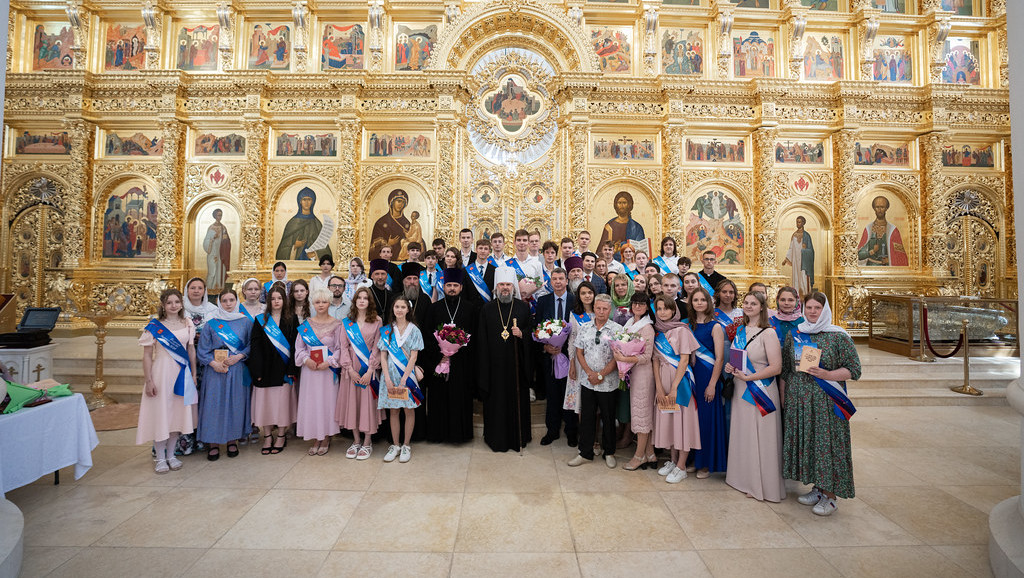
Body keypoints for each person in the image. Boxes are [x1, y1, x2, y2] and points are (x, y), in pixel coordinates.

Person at [782, 292, 860, 516]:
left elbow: (854, 369)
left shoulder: (838, 337)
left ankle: (831, 496)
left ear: (825, 310)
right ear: (803, 309)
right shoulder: (796, 334)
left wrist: (828, 373)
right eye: (809, 308)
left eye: (817, 308)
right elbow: (788, 369)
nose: (813, 312)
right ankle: (818, 488)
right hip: (801, 401)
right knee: (811, 444)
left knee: (828, 445)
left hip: (827, 401)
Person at [725, 291, 785, 502]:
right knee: (745, 434)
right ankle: (743, 479)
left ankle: (761, 485)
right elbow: (737, 358)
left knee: (761, 437)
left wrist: (751, 377)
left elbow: (777, 367)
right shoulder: (741, 330)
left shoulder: (768, 333)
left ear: (762, 307)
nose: (749, 306)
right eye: (746, 303)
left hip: (761, 389)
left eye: (753, 303)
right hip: (741, 387)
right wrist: (730, 366)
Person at [139, 289, 197, 474]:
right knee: (162, 414)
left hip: (182, 374)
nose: (174, 305)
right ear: (163, 305)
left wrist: (194, 374)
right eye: (169, 302)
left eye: (177, 302)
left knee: (176, 415)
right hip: (161, 373)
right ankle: (160, 457)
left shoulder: (187, 324)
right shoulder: (155, 326)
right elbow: (147, 356)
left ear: (181, 303)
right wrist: (149, 380)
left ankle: (171, 455)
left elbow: (191, 351)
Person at [476, 267, 534, 452]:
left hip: (516, 366)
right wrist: (484, 366)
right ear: (496, 287)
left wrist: (522, 334)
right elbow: (481, 340)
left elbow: (532, 334)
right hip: (494, 367)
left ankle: (519, 436)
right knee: (496, 403)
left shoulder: (522, 307)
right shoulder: (487, 309)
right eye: (501, 284)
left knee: (516, 402)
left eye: (508, 284)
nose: (505, 288)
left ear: (514, 287)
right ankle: (495, 438)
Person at [421, 268, 479, 444]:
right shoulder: (434, 308)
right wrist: (441, 355)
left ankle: (459, 435)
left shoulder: (471, 308)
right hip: (439, 361)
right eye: (449, 285)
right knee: (439, 398)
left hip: (462, 363)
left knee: (459, 398)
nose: (452, 288)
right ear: (443, 287)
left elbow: (475, 336)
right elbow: (427, 335)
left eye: (455, 285)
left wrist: (457, 350)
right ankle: (438, 434)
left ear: (461, 287)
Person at [567, 294, 623, 468]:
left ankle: (609, 452)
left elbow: (618, 357)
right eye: (598, 308)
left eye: (605, 308)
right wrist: (591, 373)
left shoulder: (617, 329)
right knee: (588, 418)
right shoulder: (585, 327)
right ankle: (585, 453)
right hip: (587, 380)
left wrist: (601, 375)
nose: (600, 311)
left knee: (608, 418)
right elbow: (579, 352)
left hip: (608, 382)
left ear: (610, 310)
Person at [197, 290, 252, 461]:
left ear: (237, 301)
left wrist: (239, 356)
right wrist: (213, 363)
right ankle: (213, 443)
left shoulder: (245, 322)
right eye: (225, 300)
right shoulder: (211, 324)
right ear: (219, 302)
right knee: (213, 405)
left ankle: (232, 440)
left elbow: (251, 344)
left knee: (234, 404)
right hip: (215, 370)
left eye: (231, 300)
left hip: (236, 369)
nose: (228, 303)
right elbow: (202, 350)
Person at [652, 295, 701, 484]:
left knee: (683, 422)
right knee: (670, 419)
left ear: (674, 310)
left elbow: (685, 359)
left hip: (680, 382)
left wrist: (673, 388)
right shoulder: (658, 333)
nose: (663, 312)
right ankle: (672, 460)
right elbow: (655, 360)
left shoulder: (682, 331)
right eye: (659, 309)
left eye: (666, 308)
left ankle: (681, 466)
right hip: (663, 380)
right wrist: (659, 386)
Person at [248, 284, 298, 456]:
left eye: (280, 298)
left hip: (284, 371)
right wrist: (257, 371)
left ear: (285, 300)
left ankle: (281, 435)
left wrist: (292, 368)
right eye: (273, 298)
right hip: (265, 370)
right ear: (268, 301)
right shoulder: (260, 320)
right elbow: (255, 347)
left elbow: (294, 346)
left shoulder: (292, 319)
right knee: (266, 405)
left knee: (282, 405)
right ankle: (268, 436)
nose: (277, 301)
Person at [336, 287, 383, 460]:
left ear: (370, 301)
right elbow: (343, 347)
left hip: (368, 371)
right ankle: (356, 441)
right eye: (359, 298)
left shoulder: (377, 321)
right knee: (353, 405)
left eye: (365, 298)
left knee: (366, 405)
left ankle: (367, 442)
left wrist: (370, 370)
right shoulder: (346, 322)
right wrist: (349, 369)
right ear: (355, 301)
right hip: (351, 371)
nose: (362, 300)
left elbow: (378, 346)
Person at [295, 287, 343, 456]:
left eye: (324, 301)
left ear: (329, 302)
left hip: (328, 371)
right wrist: (306, 360)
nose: (321, 305)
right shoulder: (306, 325)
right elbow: (299, 348)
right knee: (312, 403)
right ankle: (316, 436)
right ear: (312, 303)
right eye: (317, 302)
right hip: (310, 371)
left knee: (327, 402)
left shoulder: (337, 324)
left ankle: (327, 437)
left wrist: (329, 361)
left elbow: (339, 348)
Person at [377, 296, 425, 463]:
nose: (399, 310)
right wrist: (388, 379)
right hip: (389, 377)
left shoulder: (415, 330)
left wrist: (404, 379)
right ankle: (395, 445)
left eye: (402, 307)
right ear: (393, 309)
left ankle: (406, 445)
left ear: (408, 310)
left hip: (407, 377)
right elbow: (383, 356)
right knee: (394, 411)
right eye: (396, 306)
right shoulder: (386, 330)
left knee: (408, 410)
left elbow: (413, 357)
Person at [687, 287, 728, 479]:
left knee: (705, 420)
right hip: (691, 376)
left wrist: (712, 385)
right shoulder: (688, 325)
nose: (699, 303)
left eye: (703, 300)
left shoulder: (716, 326)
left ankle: (706, 464)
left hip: (708, 377)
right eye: (696, 300)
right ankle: (695, 460)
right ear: (691, 303)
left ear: (709, 303)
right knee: (692, 420)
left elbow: (719, 358)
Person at [536, 267, 577, 447]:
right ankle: (552, 431)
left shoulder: (576, 301)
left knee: (569, 394)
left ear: (567, 281)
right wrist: (546, 346)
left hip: (571, 358)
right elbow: (537, 327)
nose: (558, 282)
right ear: (550, 282)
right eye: (555, 279)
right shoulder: (543, 301)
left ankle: (571, 431)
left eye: (561, 278)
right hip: (550, 357)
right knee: (552, 395)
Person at [616, 293, 657, 471]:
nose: (638, 306)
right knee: (640, 412)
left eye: (642, 304)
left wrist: (624, 357)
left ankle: (639, 456)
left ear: (647, 306)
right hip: (633, 373)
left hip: (644, 375)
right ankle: (650, 453)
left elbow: (646, 357)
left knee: (642, 414)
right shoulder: (630, 322)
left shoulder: (647, 327)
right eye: (635, 303)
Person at [566, 279, 596, 418]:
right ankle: (584, 436)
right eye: (583, 293)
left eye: (590, 292)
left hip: (597, 361)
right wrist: (572, 363)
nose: (587, 296)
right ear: (579, 296)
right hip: (579, 361)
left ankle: (595, 435)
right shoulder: (574, 314)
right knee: (580, 401)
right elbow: (572, 339)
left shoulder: (600, 312)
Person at [857, 195, 908, 266]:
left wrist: (889, 260)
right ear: (874, 208)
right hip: (871, 269)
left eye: (882, 207)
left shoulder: (893, 230)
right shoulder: (868, 229)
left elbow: (901, 255)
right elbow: (859, 255)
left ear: (886, 208)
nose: (880, 210)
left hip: (888, 269)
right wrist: (871, 252)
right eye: (877, 207)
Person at [506, 229, 544, 302]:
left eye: (524, 240)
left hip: (532, 305)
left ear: (529, 243)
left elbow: (540, 289)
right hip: (512, 304)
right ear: (514, 242)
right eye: (519, 240)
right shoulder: (506, 264)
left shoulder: (537, 264)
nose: (521, 243)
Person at [781, 216, 814, 296]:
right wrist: (786, 259)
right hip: (796, 261)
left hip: (804, 263)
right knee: (796, 278)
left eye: (799, 222)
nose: (798, 224)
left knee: (803, 278)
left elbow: (811, 251)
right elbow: (791, 248)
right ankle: (797, 296)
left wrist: (805, 250)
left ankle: (805, 296)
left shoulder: (806, 236)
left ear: (803, 223)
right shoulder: (794, 235)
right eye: (797, 222)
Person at [203, 208, 231, 291]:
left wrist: (225, 240)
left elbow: (227, 241)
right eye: (218, 215)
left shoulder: (223, 228)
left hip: (221, 254)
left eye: (221, 215)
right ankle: (209, 289)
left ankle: (219, 289)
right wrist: (212, 238)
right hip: (212, 253)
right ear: (215, 216)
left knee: (220, 271)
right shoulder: (211, 228)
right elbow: (206, 241)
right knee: (212, 271)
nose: (220, 217)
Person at [397, 261, 431, 330]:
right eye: (409, 278)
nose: (412, 282)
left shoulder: (425, 299)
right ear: (404, 281)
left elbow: (428, 326)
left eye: (415, 278)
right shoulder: (396, 299)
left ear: (418, 281)